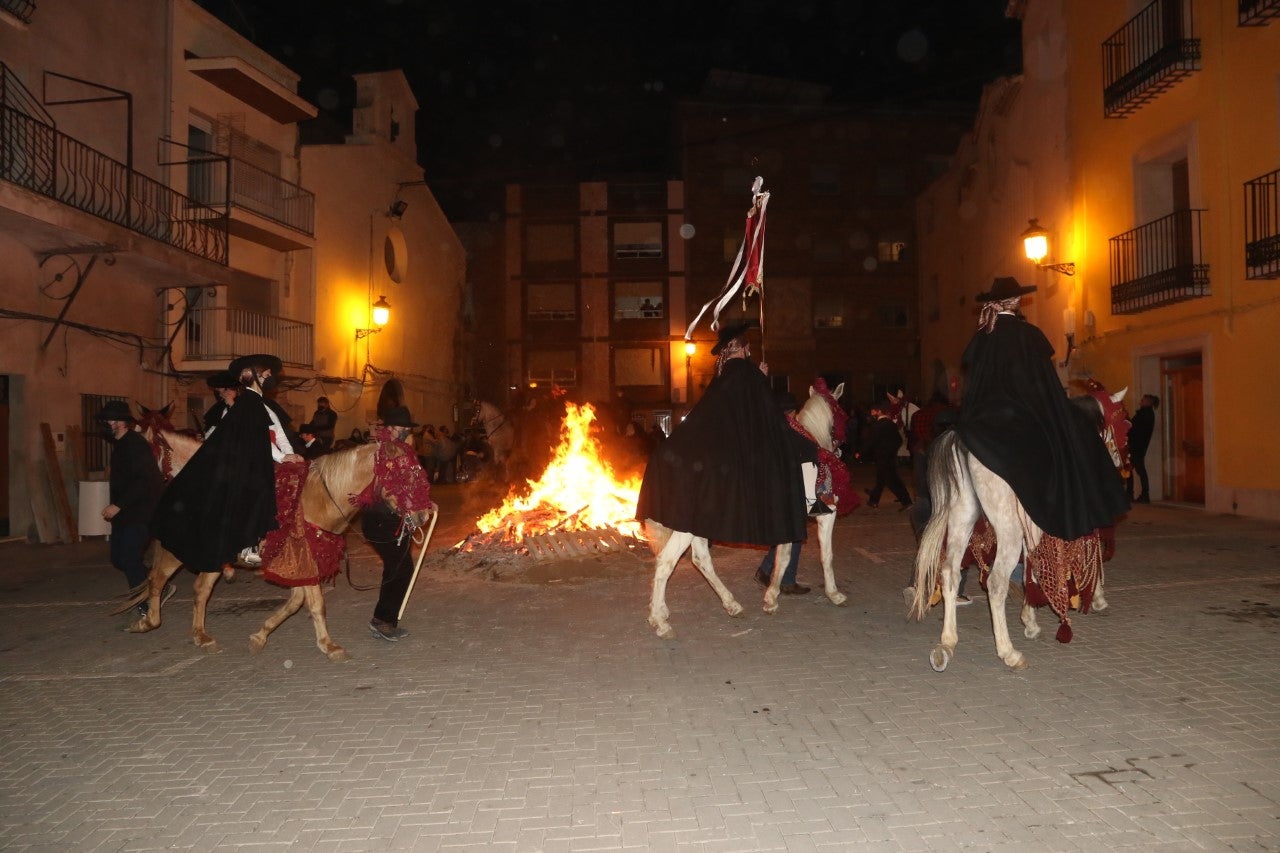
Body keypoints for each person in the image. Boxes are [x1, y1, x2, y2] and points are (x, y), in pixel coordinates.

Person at [955, 277, 1128, 541]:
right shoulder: (1029, 334)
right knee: (1078, 430)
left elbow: (974, 384)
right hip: (1023, 411)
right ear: (1017, 301)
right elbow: (1043, 382)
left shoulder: (982, 337)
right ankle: (1079, 509)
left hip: (982, 414)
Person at [635, 318, 815, 553]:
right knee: (808, 450)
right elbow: (762, 412)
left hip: (720, 447)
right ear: (745, 348)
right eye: (749, 348)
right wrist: (761, 380)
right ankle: (810, 503)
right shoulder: (748, 372)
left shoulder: (721, 376)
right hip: (741, 448)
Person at [152, 353, 302, 576]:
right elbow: (257, 438)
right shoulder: (248, 404)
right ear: (251, 375)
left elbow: (277, 433)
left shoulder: (258, 403)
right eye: (266, 373)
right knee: (256, 491)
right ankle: (248, 544)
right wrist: (281, 457)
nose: (269, 377)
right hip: (248, 462)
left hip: (261, 458)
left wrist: (289, 455)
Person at [364, 406, 432, 641]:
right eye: (401, 428)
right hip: (381, 519)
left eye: (406, 428)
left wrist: (425, 502)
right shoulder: (383, 452)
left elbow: (411, 483)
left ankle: (384, 619)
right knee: (400, 569)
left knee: (399, 568)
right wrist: (410, 506)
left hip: (394, 520)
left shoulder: (402, 450)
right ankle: (382, 620)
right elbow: (390, 489)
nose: (405, 432)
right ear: (390, 428)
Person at [98, 400, 172, 613]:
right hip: (124, 513)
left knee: (129, 558)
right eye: (106, 420)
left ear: (121, 422)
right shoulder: (121, 445)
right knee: (118, 559)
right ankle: (159, 585)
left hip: (141, 511)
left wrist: (118, 505)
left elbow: (143, 480)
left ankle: (146, 603)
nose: (107, 424)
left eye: (110, 420)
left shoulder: (134, 444)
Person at [858, 404, 913, 510]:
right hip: (889, 456)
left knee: (892, 481)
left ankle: (906, 502)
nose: (871, 414)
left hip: (882, 456)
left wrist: (861, 452)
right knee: (882, 479)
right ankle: (874, 500)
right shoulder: (891, 424)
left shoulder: (878, 425)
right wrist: (892, 450)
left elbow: (871, 441)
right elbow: (898, 440)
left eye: (873, 411)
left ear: (879, 411)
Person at [1128, 394, 1159, 503]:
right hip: (1138, 446)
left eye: (1143, 400)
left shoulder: (1144, 414)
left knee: (1134, 469)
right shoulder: (1146, 414)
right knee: (1136, 469)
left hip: (1136, 446)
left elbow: (1134, 428)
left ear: (1148, 402)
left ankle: (1137, 494)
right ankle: (1139, 494)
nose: (1140, 401)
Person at [202, 371, 238, 437]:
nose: (220, 395)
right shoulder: (220, 405)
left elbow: (241, 422)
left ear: (228, 389)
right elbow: (214, 426)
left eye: (219, 390)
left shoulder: (242, 403)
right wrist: (204, 436)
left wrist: (232, 404)